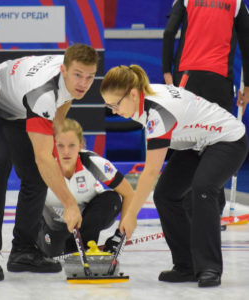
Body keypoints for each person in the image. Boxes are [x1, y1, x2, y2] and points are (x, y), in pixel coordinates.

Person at [0, 44, 99, 281]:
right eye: (78, 75)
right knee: (0, 161)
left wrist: (56, 155)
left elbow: (60, 110)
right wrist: (70, 204)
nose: (83, 83)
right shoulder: (43, 91)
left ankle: (23, 250)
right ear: (64, 70)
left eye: (90, 77)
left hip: (15, 109)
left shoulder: (71, 74)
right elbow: (43, 157)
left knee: (35, 175)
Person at [100, 64, 248, 288]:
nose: (113, 111)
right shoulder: (143, 97)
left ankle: (209, 267)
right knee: (165, 194)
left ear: (132, 93)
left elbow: (150, 172)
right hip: (197, 142)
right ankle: (186, 265)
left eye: (115, 104)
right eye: (108, 106)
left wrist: (130, 215)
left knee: (203, 189)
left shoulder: (157, 112)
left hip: (228, 140)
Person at [162, 0, 249, 220]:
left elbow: (169, 32)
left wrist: (166, 72)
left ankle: (189, 207)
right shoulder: (236, 2)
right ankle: (210, 211)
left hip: (186, 79)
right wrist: (247, 84)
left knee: (186, 143)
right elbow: (247, 41)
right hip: (219, 82)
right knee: (216, 146)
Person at [36, 118, 134, 257]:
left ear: (80, 145)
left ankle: (83, 245)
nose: (66, 152)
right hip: (54, 225)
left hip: (86, 225)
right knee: (52, 253)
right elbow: (28, 203)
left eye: (71, 145)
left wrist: (120, 235)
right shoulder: (42, 167)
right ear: (53, 145)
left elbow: (129, 194)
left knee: (111, 199)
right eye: (60, 146)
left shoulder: (94, 163)